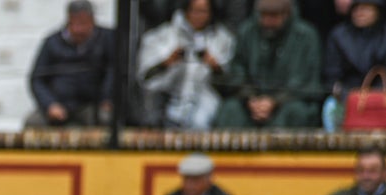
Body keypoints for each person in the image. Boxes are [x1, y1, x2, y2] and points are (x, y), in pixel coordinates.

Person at [212, 0, 322, 128]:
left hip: (290, 100)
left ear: (286, 14)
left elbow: (306, 81)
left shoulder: (306, 36)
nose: (267, 21)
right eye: (263, 15)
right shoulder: (247, 31)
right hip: (251, 100)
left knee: (297, 112)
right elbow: (238, 71)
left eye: (273, 16)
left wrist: (275, 101)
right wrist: (250, 98)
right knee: (230, 110)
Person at [137, 0, 235, 129]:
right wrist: (166, 63)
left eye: (203, 11)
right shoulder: (163, 35)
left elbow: (233, 81)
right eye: (194, 10)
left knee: (201, 121)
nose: (199, 16)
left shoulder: (223, 38)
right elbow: (143, 79)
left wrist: (215, 66)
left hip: (205, 103)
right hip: (166, 101)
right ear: (186, 11)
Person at [25, 0, 114, 127]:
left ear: (92, 21)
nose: (79, 30)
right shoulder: (52, 42)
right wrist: (50, 104)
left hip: (91, 104)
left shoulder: (106, 39)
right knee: (33, 122)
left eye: (84, 23)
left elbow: (113, 71)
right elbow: (37, 79)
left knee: (106, 120)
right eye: (75, 23)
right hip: (60, 103)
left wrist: (107, 98)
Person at [322, 0, 386, 129]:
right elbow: (332, 75)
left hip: (381, 95)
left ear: (378, 12)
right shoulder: (338, 35)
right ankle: (336, 146)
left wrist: (374, 95)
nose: (360, 13)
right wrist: (348, 95)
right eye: (356, 9)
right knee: (330, 106)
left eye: (366, 9)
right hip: (347, 94)